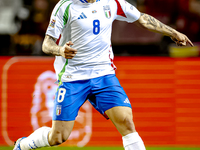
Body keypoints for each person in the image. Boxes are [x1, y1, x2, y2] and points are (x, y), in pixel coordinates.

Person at [13, 0, 193, 149]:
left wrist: (173, 32)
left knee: (126, 122)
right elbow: (46, 43)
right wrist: (60, 50)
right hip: (73, 78)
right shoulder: (65, 6)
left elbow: (142, 19)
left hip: (103, 74)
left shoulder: (113, 3)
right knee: (58, 137)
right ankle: (24, 144)